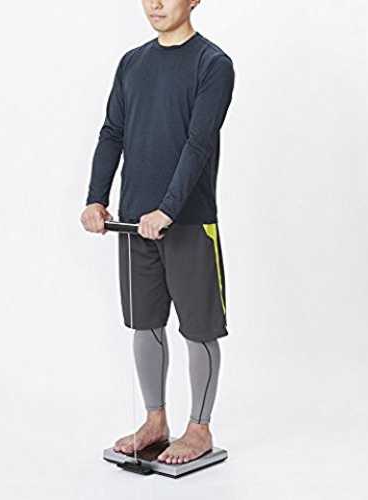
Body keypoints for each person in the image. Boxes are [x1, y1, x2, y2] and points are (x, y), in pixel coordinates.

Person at [80, 0, 235, 465]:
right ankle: (155, 421)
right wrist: (95, 198)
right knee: (145, 323)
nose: (155, 3)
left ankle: (199, 429)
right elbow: (112, 132)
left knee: (199, 329)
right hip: (133, 223)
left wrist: (167, 209)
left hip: (188, 222)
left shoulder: (213, 64)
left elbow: (198, 144)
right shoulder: (132, 63)